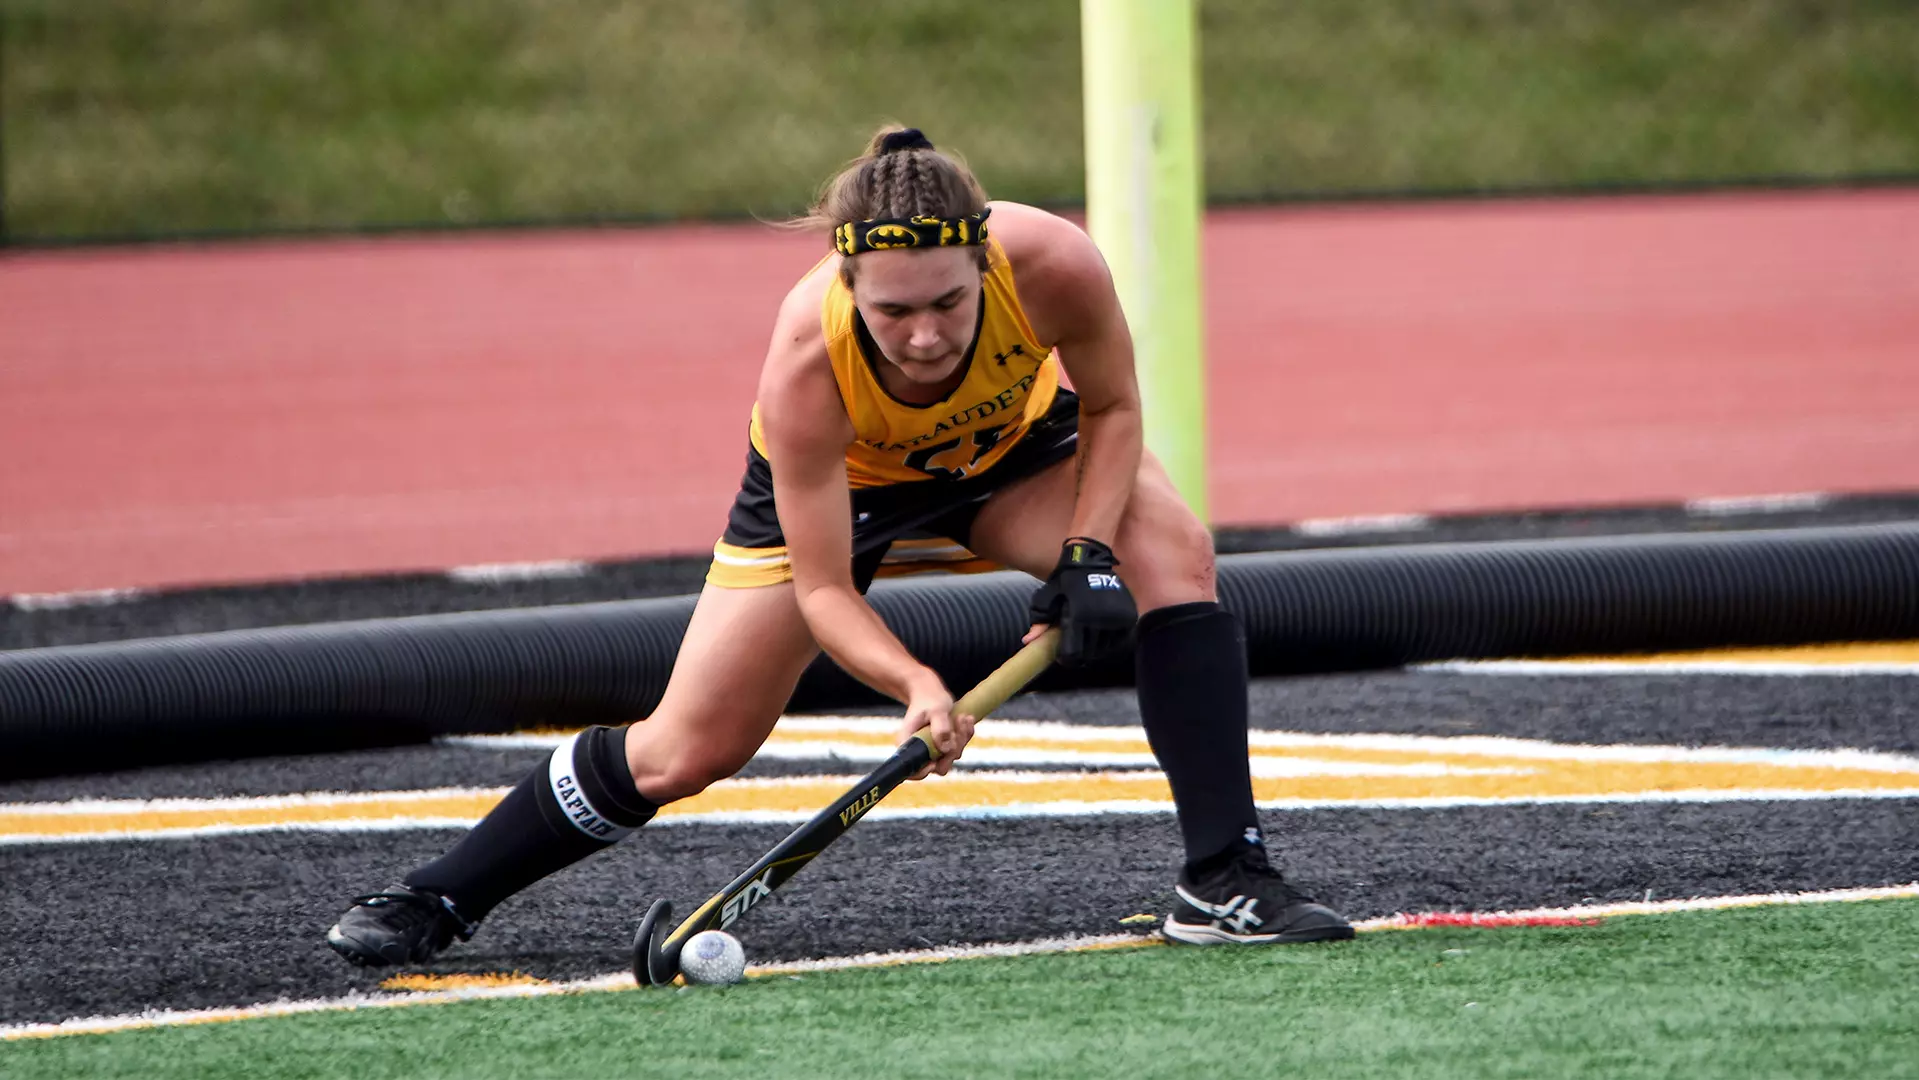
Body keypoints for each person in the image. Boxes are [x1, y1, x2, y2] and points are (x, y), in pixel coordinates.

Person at [326, 127, 1353, 967]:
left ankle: (1224, 880)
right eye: (893, 311)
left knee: (1172, 553)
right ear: (850, 283)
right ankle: (439, 897)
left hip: (1015, 457)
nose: (923, 338)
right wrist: (914, 684)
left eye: (949, 303)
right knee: (688, 748)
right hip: (845, 500)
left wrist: (1084, 554)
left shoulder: (1050, 264)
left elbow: (1118, 410)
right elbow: (822, 590)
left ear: (984, 259)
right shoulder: (808, 359)